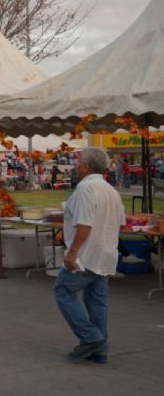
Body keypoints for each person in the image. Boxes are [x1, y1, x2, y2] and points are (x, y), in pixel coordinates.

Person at [53, 147, 124, 364]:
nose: (76, 166)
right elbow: (120, 222)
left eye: (79, 162)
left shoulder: (86, 189)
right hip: (105, 253)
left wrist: (72, 253)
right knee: (96, 301)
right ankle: (100, 349)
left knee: (63, 291)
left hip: (87, 254)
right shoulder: (111, 190)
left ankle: (91, 337)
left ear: (86, 167)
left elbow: (84, 225)